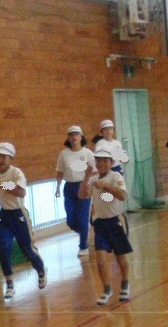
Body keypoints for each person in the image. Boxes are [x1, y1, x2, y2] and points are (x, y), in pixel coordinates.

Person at [0, 141, 47, 302]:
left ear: (11, 158)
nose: (0, 160)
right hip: (5, 216)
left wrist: (3, 185)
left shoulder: (17, 173)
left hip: (19, 215)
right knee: (2, 247)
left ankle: (41, 269)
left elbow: (21, 192)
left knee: (27, 248)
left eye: (4, 157)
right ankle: (9, 284)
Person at [85, 146, 132, 304]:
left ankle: (125, 284)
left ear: (111, 163)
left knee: (120, 257)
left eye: (105, 160)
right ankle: (106, 289)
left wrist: (106, 186)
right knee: (100, 259)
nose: (101, 163)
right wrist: (86, 178)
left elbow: (122, 195)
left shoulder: (116, 176)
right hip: (100, 223)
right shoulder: (93, 178)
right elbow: (83, 195)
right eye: (98, 160)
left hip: (115, 220)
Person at [55, 126, 96, 258]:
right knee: (71, 220)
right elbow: (60, 171)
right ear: (68, 138)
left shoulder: (88, 153)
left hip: (84, 186)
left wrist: (91, 184)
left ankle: (83, 246)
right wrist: (58, 187)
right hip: (69, 188)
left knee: (83, 218)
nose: (74, 137)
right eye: (71, 134)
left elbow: (95, 171)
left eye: (76, 134)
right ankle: (85, 230)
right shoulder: (63, 154)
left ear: (81, 137)